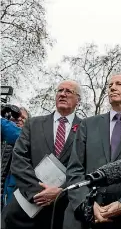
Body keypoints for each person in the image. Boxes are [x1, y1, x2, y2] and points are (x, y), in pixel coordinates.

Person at [64, 74, 121, 229]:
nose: (112, 88)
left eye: (119, 84)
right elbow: (75, 168)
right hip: (83, 219)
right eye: (110, 85)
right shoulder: (88, 125)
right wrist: (86, 204)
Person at [2, 81, 82, 229]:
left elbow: (87, 166)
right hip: (24, 211)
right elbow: (19, 159)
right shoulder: (33, 124)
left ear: (78, 100)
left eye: (68, 91)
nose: (63, 94)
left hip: (63, 212)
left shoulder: (86, 128)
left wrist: (61, 192)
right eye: (60, 91)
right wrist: (38, 192)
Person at [1, 107, 30, 208]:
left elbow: (18, 136)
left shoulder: (28, 138)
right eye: (16, 116)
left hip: (11, 197)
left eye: (23, 117)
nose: (19, 119)